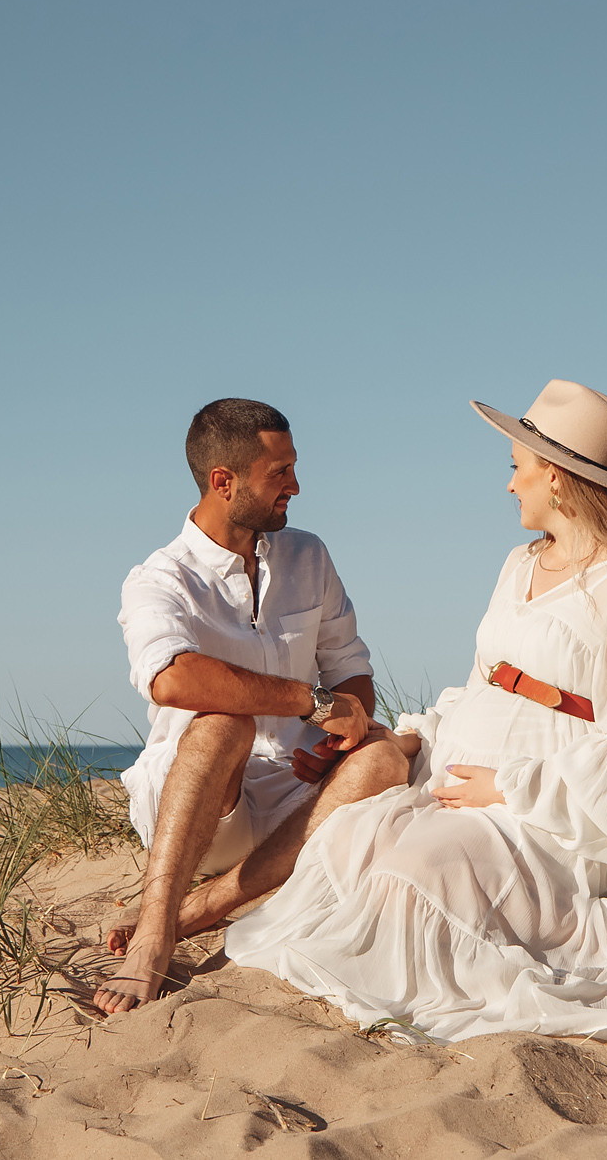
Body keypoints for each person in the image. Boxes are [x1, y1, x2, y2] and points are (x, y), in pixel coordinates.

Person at [224, 381, 607, 1052]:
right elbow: (481, 685)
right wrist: (418, 736)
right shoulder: (514, 565)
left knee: (414, 877)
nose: (509, 486)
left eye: (515, 468)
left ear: (554, 476)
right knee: (353, 845)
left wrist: (511, 787)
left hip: (549, 809)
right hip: (461, 773)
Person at [98, 398, 412, 1014]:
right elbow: (170, 678)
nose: (295, 485)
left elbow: (349, 665)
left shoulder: (309, 556)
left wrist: (336, 738)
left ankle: (197, 910)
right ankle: (155, 938)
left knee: (382, 758)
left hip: (295, 800)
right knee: (221, 723)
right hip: (201, 805)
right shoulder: (160, 578)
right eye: (280, 473)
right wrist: (309, 702)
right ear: (224, 481)